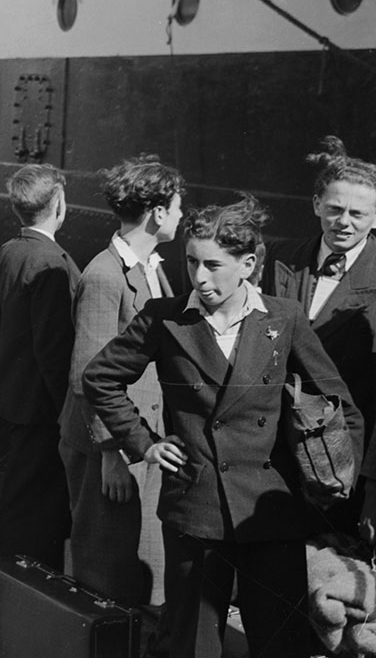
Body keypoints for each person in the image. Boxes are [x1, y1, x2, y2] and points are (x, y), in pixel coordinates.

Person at [84, 197, 362, 658]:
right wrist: (144, 444)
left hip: (270, 511)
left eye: (213, 265)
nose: (199, 277)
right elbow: (99, 378)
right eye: (191, 261)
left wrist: (335, 479)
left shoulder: (283, 318)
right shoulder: (164, 316)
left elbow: (340, 402)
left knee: (278, 641)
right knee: (193, 643)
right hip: (196, 506)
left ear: (248, 265)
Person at [59, 156, 183, 608]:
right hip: (107, 445)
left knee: (136, 559)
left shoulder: (150, 267)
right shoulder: (105, 275)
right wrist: (111, 454)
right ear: (158, 212)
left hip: (138, 436)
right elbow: (86, 374)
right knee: (104, 564)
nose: (182, 215)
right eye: (178, 206)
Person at [264, 136, 376, 537]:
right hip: (271, 449)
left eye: (358, 214)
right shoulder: (280, 256)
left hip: (339, 459)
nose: (344, 221)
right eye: (334, 209)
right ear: (316, 206)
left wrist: (373, 489)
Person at [0, 163, 79, 571]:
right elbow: (53, 352)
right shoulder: (53, 264)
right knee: (37, 517)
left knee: (15, 504)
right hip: (40, 412)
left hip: (9, 401)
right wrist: (68, 412)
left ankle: (6, 582)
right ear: (58, 203)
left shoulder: (10, 251)